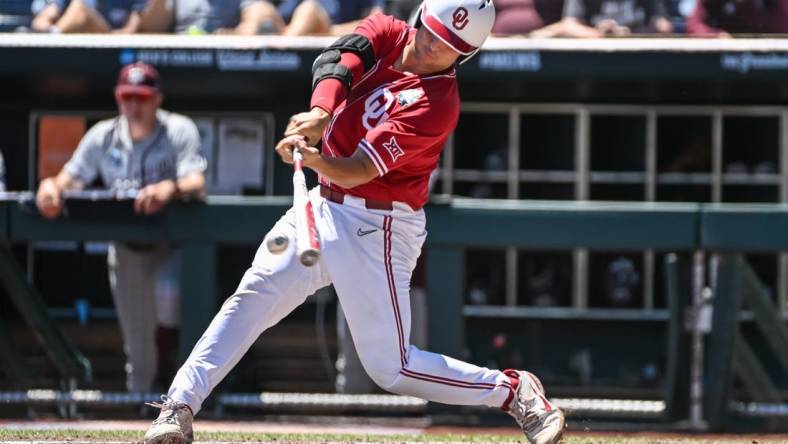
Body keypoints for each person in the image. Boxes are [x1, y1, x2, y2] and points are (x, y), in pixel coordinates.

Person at [143, 1, 565, 444]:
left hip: (378, 226)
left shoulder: (437, 103)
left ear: (464, 54)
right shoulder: (388, 29)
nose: (431, 45)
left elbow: (361, 168)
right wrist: (320, 115)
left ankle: (513, 390)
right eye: (431, 30)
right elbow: (337, 58)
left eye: (447, 46)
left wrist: (313, 155)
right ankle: (179, 406)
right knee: (251, 299)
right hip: (322, 203)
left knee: (391, 367)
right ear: (421, 15)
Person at [35, 62, 207, 393]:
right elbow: (69, 180)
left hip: (171, 243)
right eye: (128, 97)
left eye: (142, 97)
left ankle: (181, 389)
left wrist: (169, 188)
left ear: (157, 99)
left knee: (171, 296)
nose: (134, 105)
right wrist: (51, 187)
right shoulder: (103, 135)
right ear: (118, 97)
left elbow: (196, 180)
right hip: (126, 249)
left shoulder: (178, 129)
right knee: (139, 354)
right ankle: (138, 413)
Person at [531, 0, 673, 37]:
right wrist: (600, 34)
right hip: (592, 58)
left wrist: (632, 33)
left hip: (639, 60)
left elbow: (664, 26)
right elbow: (569, 25)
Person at [138, 0, 283, 35]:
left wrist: (233, 36)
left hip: (227, 60)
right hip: (180, 58)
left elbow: (257, 18)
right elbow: (151, 28)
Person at [32, 0, 147, 33]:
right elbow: (39, 22)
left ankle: (57, 34)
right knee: (78, 6)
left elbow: (131, 31)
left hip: (109, 51)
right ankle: (57, 33)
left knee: (80, 7)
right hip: (70, 52)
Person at [277, 0, 385, 36]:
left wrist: (328, 31)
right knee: (261, 9)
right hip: (305, 38)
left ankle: (282, 53)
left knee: (309, 10)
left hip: (346, 42)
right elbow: (282, 17)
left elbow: (377, 23)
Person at [686, 0, 788, 36]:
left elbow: (783, 29)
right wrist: (716, 35)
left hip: (767, 58)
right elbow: (693, 25)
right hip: (726, 54)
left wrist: (749, 6)